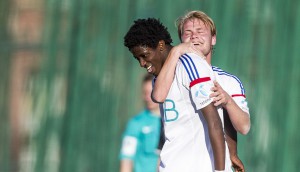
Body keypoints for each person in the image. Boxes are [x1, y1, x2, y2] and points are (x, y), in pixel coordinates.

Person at [124, 18, 231, 172]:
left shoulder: (189, 65)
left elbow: (215, 122)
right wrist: (176, 51)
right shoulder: (159, 78)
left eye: (144, 55)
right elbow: (159, 98)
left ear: (160, 45)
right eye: (137, 58)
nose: (141, 63)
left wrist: (221, 170)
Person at [151, 10, 251, 171]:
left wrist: (227, 101)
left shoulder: (229, 81)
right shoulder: (170, 73)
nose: (194, 36)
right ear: (181, 40)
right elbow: (158, 96)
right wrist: (176, 51)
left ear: (213, 39)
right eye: (187, 33)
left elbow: (244, 127)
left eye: (200, 32)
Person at [119, 73, 161, 172]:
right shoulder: (136, 123)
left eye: (150, 92)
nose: (147, 97)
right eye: (145, 93)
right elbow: (126, 159)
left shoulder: (171, 122)